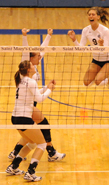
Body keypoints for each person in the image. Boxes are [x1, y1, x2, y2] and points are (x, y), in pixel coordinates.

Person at [8, 28, 66, 162]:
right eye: (37, 56)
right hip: (28, 104)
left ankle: (15, 153)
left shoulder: (34, 66)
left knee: (31, 131)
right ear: (30, 59)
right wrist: (24, 36)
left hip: (30, 101)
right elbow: (25, 49)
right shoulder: (26, 65)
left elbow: (43, 49)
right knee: (43, 125)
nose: (40, 56)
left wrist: (49, 36)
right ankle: (51, 152)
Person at [6, 60, 55, 181]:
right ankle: (30, 172)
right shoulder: (31, 81)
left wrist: (46, 87)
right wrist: (50, 90)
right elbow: (39, 98)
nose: (34, 66)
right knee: (42, 143)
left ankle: (13, 166)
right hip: (24, 118)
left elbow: (34, 93)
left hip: (15, 117)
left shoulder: (21, 80)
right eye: (32, 65)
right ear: (28, 69)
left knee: (32, 142)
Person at [68, 6, 109, 88]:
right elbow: (81, 49)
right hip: (96, 60)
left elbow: (106, 49)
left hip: (108, 60)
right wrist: (74, 40)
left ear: (98, 17)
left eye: (93, 14)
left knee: (98, 81)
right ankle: (105, 78)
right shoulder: (85, 30)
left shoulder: (105, 30)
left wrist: (101, 45)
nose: (91, 16)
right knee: (86, 83)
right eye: (89, 14)